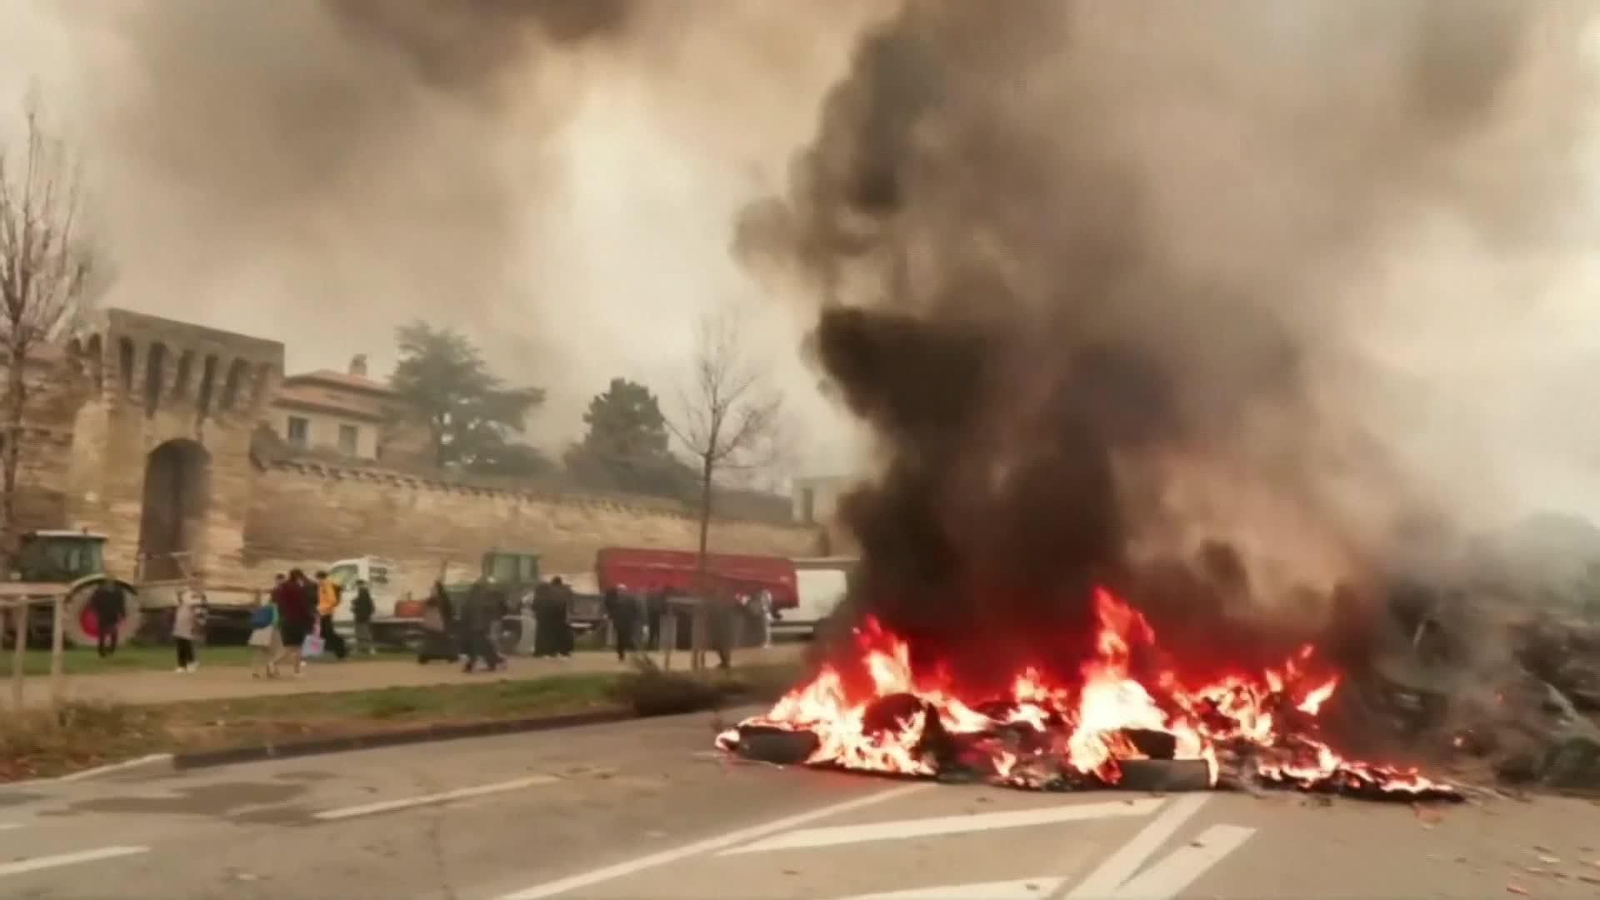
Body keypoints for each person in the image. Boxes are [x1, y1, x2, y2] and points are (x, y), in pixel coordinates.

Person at [273, 569, 314, 676]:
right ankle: (278, 665)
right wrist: (309, 619)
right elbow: (302, 606)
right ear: (299, 577)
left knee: (290, 648)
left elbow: (279, 605)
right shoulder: (297, 588)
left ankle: (277, 664)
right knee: (297, 647)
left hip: (285, 620)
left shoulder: (281, 589)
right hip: (296, 620)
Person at [460, 578, 504, 673]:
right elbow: (489, 611)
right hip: (479, 626)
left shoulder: (470, 598)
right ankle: (495, 661)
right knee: (483, 646)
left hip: (474, 626)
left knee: (477, 646)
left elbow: (465, 613)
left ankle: (471, 665)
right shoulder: (482, 598)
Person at [417, 581, 457, 664]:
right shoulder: (438, 599)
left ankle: (426, 657)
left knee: (437, 642)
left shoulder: (442, 600)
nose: (433, 591)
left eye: (434, 589)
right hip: (436, 625)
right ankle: (426, 656)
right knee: (434, 642)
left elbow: (448, 611)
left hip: (439, 625)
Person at [171, 580, 206, 673]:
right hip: (179, 624)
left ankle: (191, 663)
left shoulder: (191, 597)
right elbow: (176, 602)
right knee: (180, 644)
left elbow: (197, 607)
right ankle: (181, 665)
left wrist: (198, 622)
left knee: (187, 644)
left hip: (188, 623)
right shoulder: (179, 602)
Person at [88, 577, 127, 658]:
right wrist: (95, 612)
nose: (109, 584)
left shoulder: (118, 592)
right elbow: (94, 602)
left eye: (110, 583)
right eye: (108, 583)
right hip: (104, 614)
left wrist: (122, 614)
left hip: (112, 614)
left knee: (112, 632)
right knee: (103, 633)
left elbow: (121, 604)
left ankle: (110, 650)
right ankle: (102, 651)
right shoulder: (100, 591)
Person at [315, 571, 349, 661]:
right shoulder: (322, 586)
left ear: (321, 578)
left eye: (318, 579)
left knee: (328, 633)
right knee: (324, 633)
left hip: (326, 613)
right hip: (324, 613)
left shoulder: (327, 585)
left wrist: (321, 608)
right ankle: (338, 651)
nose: (317, 581)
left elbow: (333, 600)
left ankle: (341, 649)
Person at [248, 594, 281, 679]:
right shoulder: (274, 607)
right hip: (269, 630)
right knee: (273, 652)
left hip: (257, 630)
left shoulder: (262, 607)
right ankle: (272, 671)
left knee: (258, 652)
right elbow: (275, 621)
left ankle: (255, 671)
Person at [604, 585, 639, 662]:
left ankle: (630, 652)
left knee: (626, 637)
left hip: (627, 622)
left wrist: (634, 619)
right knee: (621, 639)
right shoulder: (615, 600)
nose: (620, 592)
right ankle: (621, 654)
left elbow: (635, 610)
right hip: (619, 622)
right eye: (619, 590)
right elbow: (609, 606)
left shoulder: (630, 599)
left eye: (622, 590)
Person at [351, 579, 376, 656]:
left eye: (358, 585)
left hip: (362, 616)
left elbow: (363, 606)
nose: (358, 586)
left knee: (364, 633)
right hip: (361, 616)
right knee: (360, 633)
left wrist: (354, 605)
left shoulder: (364, 593)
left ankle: (370, 648)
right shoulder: (363, 593)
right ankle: (361, 648)